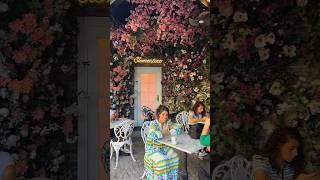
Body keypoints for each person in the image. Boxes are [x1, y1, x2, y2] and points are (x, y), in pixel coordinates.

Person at [252, 126, 320, 180]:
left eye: (297, 149)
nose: (296, 153)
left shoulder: (292, 164)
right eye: (291, 148)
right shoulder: (261, 160)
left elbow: (314, 172)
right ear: (278, 145)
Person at [144, 105, 182, 180]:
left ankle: (170, 178)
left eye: (166, 114)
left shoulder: (168, 123)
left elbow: (178, 129)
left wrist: (169, 132)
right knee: (162, 162)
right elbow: (153, 135)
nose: (165, 116)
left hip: (164, 147)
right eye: (163, 114)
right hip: (152, 149)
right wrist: (163, 133)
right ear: (159, 115)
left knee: (175, 157)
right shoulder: (153, 124)